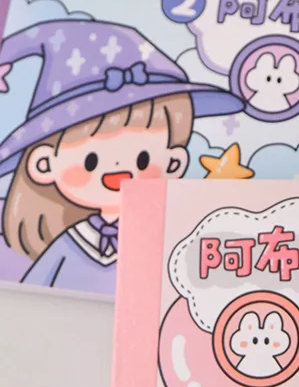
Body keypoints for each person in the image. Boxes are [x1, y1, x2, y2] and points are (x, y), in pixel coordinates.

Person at [0, 20, 243, 293]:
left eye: (143, 159)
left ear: (174, 163)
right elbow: (32, 295)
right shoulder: (68, 243)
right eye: (91, 160)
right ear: (44, 164)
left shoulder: (158, 238)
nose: (118, 169)